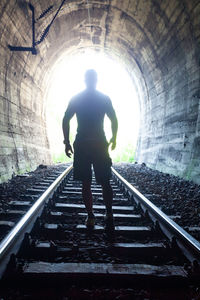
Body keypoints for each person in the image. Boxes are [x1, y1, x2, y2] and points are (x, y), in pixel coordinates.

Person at [62, 69, 118, 233]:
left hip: (82, 144)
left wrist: (66, 142)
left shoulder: (77, 98)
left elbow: (66, 118)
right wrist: (114, 138)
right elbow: (113, 118)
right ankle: (109, 214)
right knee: (105, 181)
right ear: (96, 80)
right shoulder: (104, 98)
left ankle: (91, 216)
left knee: (86, 182)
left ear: (85, 80)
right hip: (100, 143)